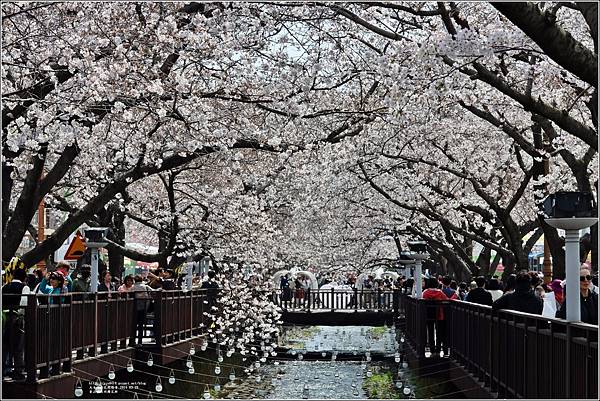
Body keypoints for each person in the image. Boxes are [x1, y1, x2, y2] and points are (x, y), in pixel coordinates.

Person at [2, 269, 30, 380]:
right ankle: (18, 371)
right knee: (18, 345)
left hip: (4, 318)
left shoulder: (4, 287)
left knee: (4, 344)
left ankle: (3, 369)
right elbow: (24, 303)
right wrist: (21, 316)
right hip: (16, 318)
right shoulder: (25, 287)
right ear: (24, 278)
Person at [422, 277, 449, 354]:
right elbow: (446, 299)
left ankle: (432, 350)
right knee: (439, 332)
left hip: (428, 315)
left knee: (430, 332)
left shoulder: (425, 292)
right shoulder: (440, 292)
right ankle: (438, 349)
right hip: (439, 315)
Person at [132, 275, 153, 344]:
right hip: (143, 308)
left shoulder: (132, 287)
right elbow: (153, 292)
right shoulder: (145, 287)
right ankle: (140, 341)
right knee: (141, 325)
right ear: (141, 280)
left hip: (133, 309)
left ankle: (132, 340)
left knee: (133, 325)